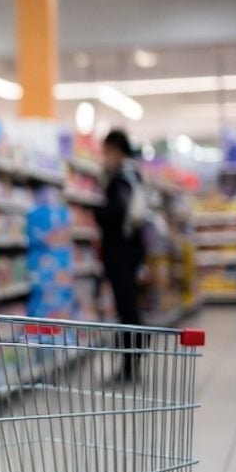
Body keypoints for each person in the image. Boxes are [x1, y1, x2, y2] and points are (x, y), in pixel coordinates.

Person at [94, 129, 146, 381]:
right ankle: (133, 357)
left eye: (105, 152)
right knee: (129, 305)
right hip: (131, 249)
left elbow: (115, 213)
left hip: (120, 251)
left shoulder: (121, 178)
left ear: (115, 150)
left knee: (126, 307)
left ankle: (129, 363)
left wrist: (96, 211)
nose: (104, 158)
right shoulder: (134, 174)